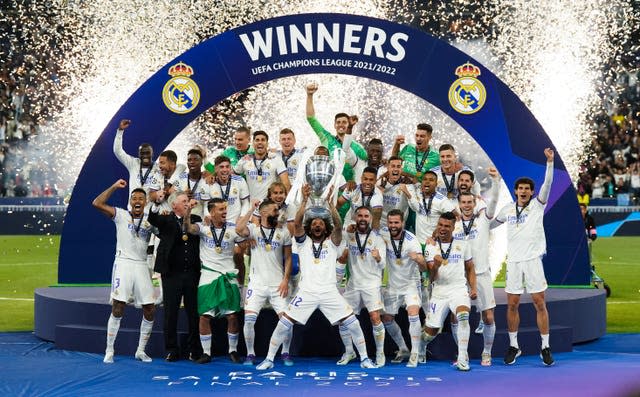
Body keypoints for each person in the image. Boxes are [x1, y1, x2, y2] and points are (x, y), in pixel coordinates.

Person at [256, 184, 376, 370]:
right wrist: (304, 201)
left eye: (320, 223)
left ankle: (365, 358)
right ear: (309, 228)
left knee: (353, 323)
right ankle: (269, 359)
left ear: (324, 227)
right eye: (314, 223)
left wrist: (331, 205)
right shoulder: (303, 244)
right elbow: (296, 225)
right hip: (307, 292)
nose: (317, 225)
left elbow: (337, 226)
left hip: (329, 292)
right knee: (284, 324)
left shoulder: (332, 244)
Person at [493, 148, 556, 366]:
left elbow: (547, 185)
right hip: (514, 262)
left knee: (540, 302)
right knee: (512, 304)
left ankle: (545, 347)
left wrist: (549, 163)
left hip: (532, 261)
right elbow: (490, 225)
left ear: (531, 192)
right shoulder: (508, 209)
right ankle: (514, 346)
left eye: (527, 189)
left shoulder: (538, 206)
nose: (523, 192)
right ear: (515, 191)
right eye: (520, 189)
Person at [92, 179, 156, 364]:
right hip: (123, 264)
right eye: (134, 198)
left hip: (142, 265)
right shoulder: (120, 215)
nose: (137, 201)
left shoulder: (150, 220)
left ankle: (140, 351)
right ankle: (109, 350)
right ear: (130, 201)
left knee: (150, 309)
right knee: (118, 306)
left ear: (145, 202)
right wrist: (113, 186)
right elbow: (97, 203)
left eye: (141, 199)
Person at [183, 198, 246, 364]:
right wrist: (188, 211)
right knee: (204, 316)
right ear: (211, 212)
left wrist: (241, 282)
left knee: (232, 316)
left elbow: (242, 247)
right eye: (220, 209)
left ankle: (233, 351)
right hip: (208, 276)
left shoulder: (233, 229)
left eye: (225, 209)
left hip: (228, 276)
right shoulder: (204, 229)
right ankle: (206, 353)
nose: (225, 212)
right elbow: (188, 228)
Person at [450, 167, 501, 366]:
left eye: (470, 202)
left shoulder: (483, 220)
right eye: (463, 202)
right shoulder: (453, 225)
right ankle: (461, 353)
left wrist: (495, 181)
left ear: (475, 202)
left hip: (481, 274)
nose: (467, 205)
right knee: (456, 317)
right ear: (459, 204)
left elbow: (494, 201)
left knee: (488, 316)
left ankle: (486, 353)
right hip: (459, 278)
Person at [236, 199, 294, 366]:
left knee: (286, 320)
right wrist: (251, 210)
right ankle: (250, 354)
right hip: (257, 284)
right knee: (248, 320)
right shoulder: (253, 230)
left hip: (278, 284)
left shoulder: (283, 232)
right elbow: (239, 229)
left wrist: (285, 280)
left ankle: (285, 352)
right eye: (274, 211)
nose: (278, 213)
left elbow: (289, 258)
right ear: (263, 213)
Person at [148, 192, 203, 362]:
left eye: (188, 201)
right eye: (184, 201)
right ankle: (172, 349)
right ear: (174, 206)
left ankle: (195, 349)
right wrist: (156, 203)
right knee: (171, 313)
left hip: (192, 273)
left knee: (193, 312)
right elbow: (152, 219)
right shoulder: (165, 220)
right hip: (171, 274)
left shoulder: (196, 219)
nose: (187, 203)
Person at [422, 212, 477, 371]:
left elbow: (470, 268)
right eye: (440, 225)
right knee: (430, 333)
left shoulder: (463, 244)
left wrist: (473, 288)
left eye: (447, 226)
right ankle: (421, 346)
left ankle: (462, 357)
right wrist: (437, 265)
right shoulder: (430, 246)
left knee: (463, 316)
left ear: (453, 228)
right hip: (439, 292)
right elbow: (431, 277)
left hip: (459, 289)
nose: (443, 228)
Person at [337, 206, 387, 367]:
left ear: (371, 219)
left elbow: (384, 265)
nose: (363, 218)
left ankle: (380, 353)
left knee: (375, 317)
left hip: (372, 284)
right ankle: (349, 351)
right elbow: (339, 255)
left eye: (366, 216)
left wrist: (378, 258)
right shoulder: (349, 235)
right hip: (353, 284)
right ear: (355, 218)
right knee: (343, 318)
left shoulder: (378, 238)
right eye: (360, 216)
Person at [379, 209, 428, 367]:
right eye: (391, 222)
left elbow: (424, 268)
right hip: (393, 285)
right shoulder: (383, 234)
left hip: (410, 284)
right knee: (386, 318)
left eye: (396, 223)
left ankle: (415, 352)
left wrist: (419, 260)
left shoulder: (411, 240)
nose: (393, 226)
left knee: (413, 313)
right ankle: (403, 348)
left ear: (403, 223)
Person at [305, 82, 367, 182]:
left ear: (349, 124)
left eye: (344, 122)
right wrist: (309, 95)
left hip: (349, 191)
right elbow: (311, 119)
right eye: (338, 122)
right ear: (334, 125)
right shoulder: (326, 138)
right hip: (329, 188)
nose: (341, 125)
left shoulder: (357, 147)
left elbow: (368, 161)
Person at [234, 130, 290, 201]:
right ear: (253, 143)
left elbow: (286, 183)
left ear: (267, 144)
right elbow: (230, 175)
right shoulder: (245, 160)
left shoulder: (275, 159)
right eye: (257, 140)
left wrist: (283, 203)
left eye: (263, 140)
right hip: (251, 206)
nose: (260, 142)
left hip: (269, 206)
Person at [113, 119, 159, 196]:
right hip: (133, 207)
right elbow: (117, 151)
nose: (145, 155)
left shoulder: (158, 168)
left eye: (147, 153)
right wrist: (120, 131)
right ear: (138, 154)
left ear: (152, 154)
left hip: (150, 207)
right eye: (142, 153)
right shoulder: (133, 163)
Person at [173, 149, 211, 218]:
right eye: (189, 160)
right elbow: (172, 197)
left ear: (201, 162)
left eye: (195, 159)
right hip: (183, 218)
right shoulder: (181, 178)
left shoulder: (207, 179)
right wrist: (182, 195)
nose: (192, 162)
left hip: (201, 220)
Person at [379, 156, 411, 229]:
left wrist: (407, 175)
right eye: (393, 166)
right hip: (382, 225)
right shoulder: (379, 184)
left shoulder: (408, 184)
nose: (396, 169)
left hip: (399, 226)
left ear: (401, 169)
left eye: (398, 166)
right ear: (388, 168)